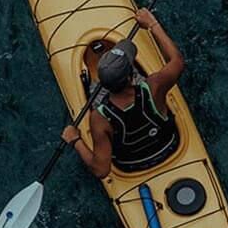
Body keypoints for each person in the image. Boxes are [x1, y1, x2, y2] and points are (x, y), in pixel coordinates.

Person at [62, 9, 183, 179]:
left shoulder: (99, 118)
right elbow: (177, 60)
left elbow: (101, 170)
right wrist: (152, 24)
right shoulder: (155, 86)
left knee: (93, 94)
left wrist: (75, 141)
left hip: (132, 166)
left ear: (103, 84)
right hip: (169, 146)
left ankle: (92, 83)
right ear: (129, 76)